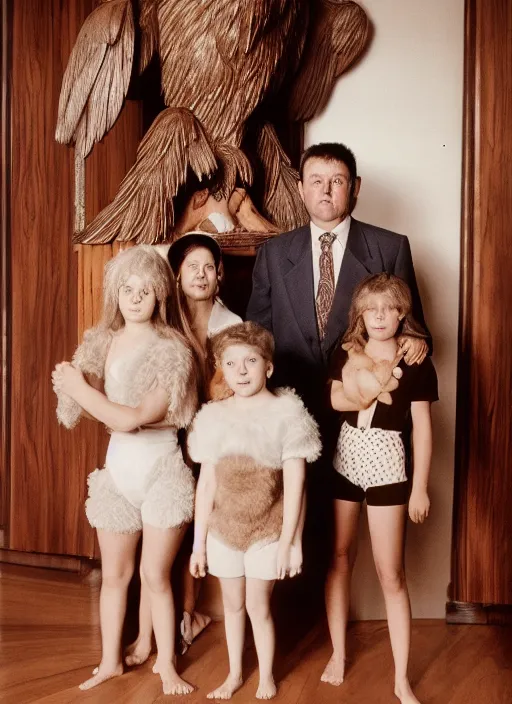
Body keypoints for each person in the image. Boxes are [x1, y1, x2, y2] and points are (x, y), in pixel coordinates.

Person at [246, 141, 431, 600]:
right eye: (315, 181)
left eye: (337, 181)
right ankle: (294, 633)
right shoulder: (274, 252)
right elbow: (256, 334)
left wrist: (414, 340)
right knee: (292, 526)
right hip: (292, 415)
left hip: (363, 421)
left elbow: (418, 331)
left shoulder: (389, 247)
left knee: (344, 544)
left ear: (355, 188)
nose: (326, 191)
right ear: (301, 189)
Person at [51, 246, 197, 696]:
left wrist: (79, 387)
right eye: (127, 288)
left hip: (162, 472)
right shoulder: (102, 338)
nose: (135, 297)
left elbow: (134, 417)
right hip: (119, 470)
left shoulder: (173, 349)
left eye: (146, 289)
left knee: (156, 576)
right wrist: (70, 385)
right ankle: (111, 660)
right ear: (116, 292)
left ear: (161, 295)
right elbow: (73, 412)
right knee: (115, 576)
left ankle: (168, 664)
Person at [125, 232, 241, 667]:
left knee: (198, 529)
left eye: (208, 266)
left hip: (211, 440)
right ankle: (146, 634)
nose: (200, 274)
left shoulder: (232, 326)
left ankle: (188, 617)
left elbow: (231, 390)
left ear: (220, 276)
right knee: (153, 541)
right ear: (176, 275)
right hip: (160, 439)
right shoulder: (160, 323)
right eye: (191, 266)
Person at [188, 322, 321, 700]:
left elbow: (297, 484)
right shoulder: (213, 417)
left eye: (250, 361)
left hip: (268, 528)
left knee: (257, 606)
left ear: (269, 367)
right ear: (222, 369)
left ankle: (265, 676)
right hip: (224, 528)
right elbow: (207, 486)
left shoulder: (287, 412)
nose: (241, 371)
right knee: (232, 605)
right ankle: (233, 674)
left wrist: (290, 542)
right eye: (231, 364)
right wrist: (199, 546)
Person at [323, 273, 437, 704]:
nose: (380, 317)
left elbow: (423, 430)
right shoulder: (347, 352)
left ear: (402, 311)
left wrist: (420, 488)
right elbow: (335, 400)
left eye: (389, 308)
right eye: (371, 309)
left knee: (391, 573)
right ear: (360, 314)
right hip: (346, 459)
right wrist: (371, 382)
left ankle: (401, 678)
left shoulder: (418, 360)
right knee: (339, 557)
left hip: (390, 463)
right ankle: (337, 652)